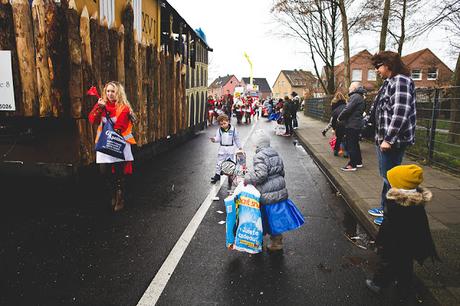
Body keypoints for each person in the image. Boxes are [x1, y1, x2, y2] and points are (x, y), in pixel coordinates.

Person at [365, 165, 439, 302]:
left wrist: (381, 243)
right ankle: (404, 287)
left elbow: (389, 229)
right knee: (405, 265)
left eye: (391, 180)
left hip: (395, 245)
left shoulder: (397, 206)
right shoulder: (414, 202)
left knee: (388, 264)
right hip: (409, 244)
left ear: (399, 185)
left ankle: (378, 284)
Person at [366, 51, 417, 226]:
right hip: (383, 139)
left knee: (391, 178)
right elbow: (379, 109)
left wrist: (389, 139)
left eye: (378, 66)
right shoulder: (389, 82)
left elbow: (400, 113)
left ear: (388, 65)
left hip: (392, 141)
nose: (377, 70)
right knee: (386, 176)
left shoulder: (401, 81)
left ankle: (392, 216)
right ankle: (384, 207)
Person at [244, 130, 304, 251]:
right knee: (275, 218)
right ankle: (276, 240)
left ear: (258, 145)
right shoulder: (274, 152)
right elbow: (282, 171)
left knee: (263, 217)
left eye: (254, 144)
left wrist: (247, 178)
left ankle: (260, 241)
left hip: (267, 193)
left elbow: (261, 175)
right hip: (278, 189)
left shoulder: (259, 156)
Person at [88, 81, 136, 212]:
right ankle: (113, 193)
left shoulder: (124, 107)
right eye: (108, 91)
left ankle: (119, 197)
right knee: (104, 172)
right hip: (104, 144)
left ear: (118, 93)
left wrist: (112, 133)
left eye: (112, 91)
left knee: (119, 173)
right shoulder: (102, 105)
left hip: (118, 143)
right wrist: (99, 107)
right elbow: (93, 120)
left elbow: (119, 127)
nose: (109, 94)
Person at [338, 82, 366, 171]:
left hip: (352, 124)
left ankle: (352, 165)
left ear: (354, 88)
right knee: (355, 144)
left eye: (350, 86)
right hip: (357, 124)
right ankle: (358, 162)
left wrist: (340, 117)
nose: (349, 88)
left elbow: (347, 109)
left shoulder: (355, 96)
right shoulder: (360, 96)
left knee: (351, 145)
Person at [210, 114, 242, 184]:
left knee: (230, 163)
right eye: (221, 124)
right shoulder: (219, 130)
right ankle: (217, 175)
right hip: (222, 149)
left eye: (224, 123)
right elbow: (218, 139)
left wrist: (240, 147)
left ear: (228, 122)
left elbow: (236, 139)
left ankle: (231, 177)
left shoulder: (233, 129)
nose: (223, 125)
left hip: (231, 149)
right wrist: (214, 139)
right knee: (219, 163)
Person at [329, 92, 348, 156]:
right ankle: (346, 152)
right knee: (346, 139)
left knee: (339, 138)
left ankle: (336, 151)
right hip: (347, 124)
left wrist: (334, 129)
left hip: (339, 125)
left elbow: (333, 121)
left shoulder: (335, 109)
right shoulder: (347, 106)